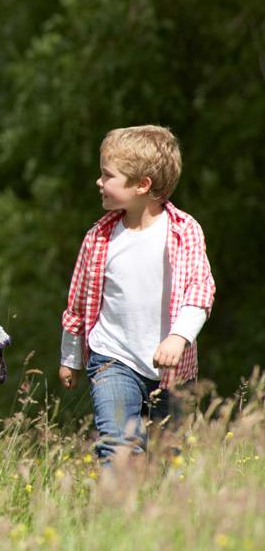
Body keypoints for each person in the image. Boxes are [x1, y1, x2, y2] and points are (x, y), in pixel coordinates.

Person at [59, 125, 215, 463]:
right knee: (118, 445)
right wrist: (71, 358)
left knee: (167, 456)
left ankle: (158, 514)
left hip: (172, 370)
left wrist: (179, 337)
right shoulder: (99, 238)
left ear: (142, 184)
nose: (98, 182)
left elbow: (200, 292)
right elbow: (78, 303)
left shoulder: (183, 232)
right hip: (112, 357)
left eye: (107, 175)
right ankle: (115, 512)